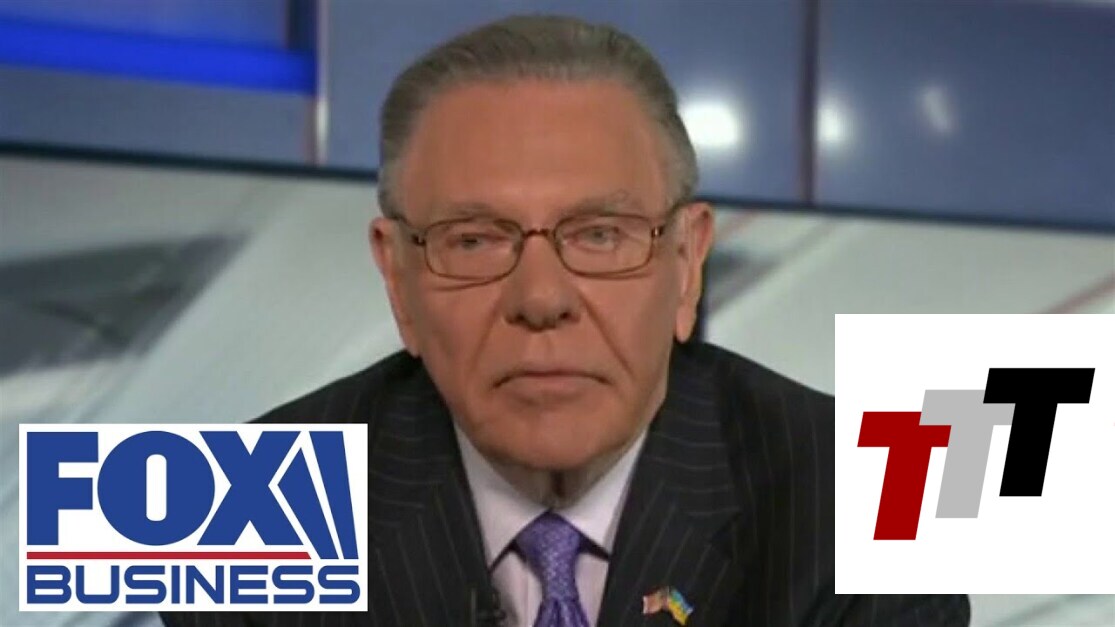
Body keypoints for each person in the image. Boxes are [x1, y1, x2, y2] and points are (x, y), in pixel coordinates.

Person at [163, 14, 970, 627]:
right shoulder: (232, 516)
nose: (541, 298)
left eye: (600, 235)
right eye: (473, 239)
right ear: (397, 278)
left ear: (686, 263)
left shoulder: (870, 500)